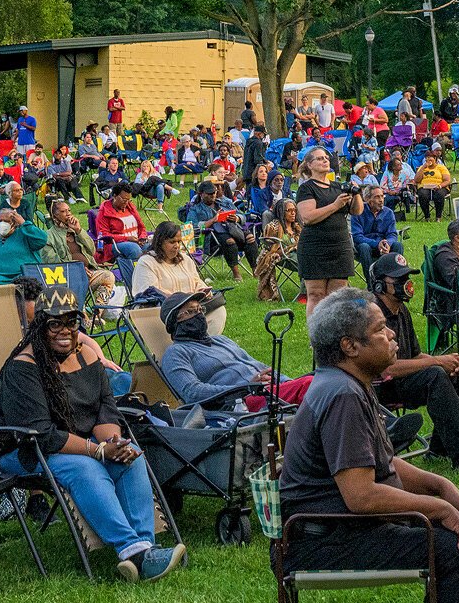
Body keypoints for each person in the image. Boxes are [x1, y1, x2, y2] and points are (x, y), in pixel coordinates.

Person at [277, 289, 459, 603]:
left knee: (453, 530)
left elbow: (385, 466)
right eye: (380, 329)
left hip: (335, 525)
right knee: (450, 545)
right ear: (349, 346)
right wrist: (439, 509)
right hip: (323, 537)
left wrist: (440, 487)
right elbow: (361, 496)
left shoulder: (350, 385)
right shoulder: (342, 395)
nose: (393, 335)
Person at [0, 285, 185, 582]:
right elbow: (42, 434)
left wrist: (113, 443)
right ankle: (131, 550)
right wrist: (97, 451)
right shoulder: (23, 368)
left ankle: (145, 548)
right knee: (86, 467)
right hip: (23, 450)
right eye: (55, 323)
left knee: (131, 457)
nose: (64, 330)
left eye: (71, 322)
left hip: (73, 443)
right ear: (40, 325)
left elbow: (104, 410)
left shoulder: (88, 357)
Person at [368, 254, 459, 479]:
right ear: (379, 285)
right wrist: (437, 361)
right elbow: (386, 369)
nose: (405, 283)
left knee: (455, 371)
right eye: (398, 278)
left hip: (403, 379)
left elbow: (414, 355)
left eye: (406, 277)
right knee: (435, 374)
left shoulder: (401, 310)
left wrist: (449, 361)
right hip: (380, 386)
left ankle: (439, 448)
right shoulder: (373, 314)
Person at [158, 290, 309, 409]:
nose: (199, 315)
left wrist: (287, 381)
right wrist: (245, 388)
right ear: (174, 322)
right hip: (240, 403)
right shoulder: (175, 354)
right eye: (190, 311)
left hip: (270, 392)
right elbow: (192, 392)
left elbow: (262, 368)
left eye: (200, 310)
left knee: (323, 380)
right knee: (311, 385)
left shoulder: (220, 340)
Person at [295, 146, 362, 312]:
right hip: (315, 247)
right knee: (316, 294)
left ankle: (335, 335)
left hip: (339, 246)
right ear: (309, 165)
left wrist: (357, 193)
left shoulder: (339, 187)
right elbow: (308, 217)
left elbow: (357, 211)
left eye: (326, 157)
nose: (325, 160)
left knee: (338, 295)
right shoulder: (306, 188)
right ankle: (316, 335)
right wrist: (335, 205)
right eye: (319, 158)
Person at [41, 200, 116, 301]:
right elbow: (51, 261)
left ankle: (98, 311)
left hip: (89, 273)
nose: (68, 214)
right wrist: (77, 268)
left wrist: (79, 231)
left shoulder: (75, 230)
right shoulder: (49, 236)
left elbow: (92, 250)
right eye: (63, 211)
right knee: (76, 286)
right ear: (55, 216)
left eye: (69, 210)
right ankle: (81, 314)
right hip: (67, 277)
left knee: (108, 276)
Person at [0, 207, 47, 286]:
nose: (2, 223)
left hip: (22, 279)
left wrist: (24, 224)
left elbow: (42, 239)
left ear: (14, 223)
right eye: (0, 221)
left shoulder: (25, 235)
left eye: (6, 221)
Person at [349, 184, 401, 279]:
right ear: (367, 199)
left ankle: (394, 279)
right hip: (365, 247)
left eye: (382, 196)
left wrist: (388, 243)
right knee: (364, 247)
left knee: (398, 245)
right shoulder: (358, 211)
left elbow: (392, 234)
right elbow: (357, 236)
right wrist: (377, 244)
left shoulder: (388, 213)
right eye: (377, 197)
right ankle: (371, 283)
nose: (381, 200)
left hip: (384, 246)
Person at [96, 184, 150, 261]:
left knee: (152, 248)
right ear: (114, 196)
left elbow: (141, 226)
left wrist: (142, 237)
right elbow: (103, 235)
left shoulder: (130, 207)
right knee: (134, 249)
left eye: (129, 200)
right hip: (114, 244)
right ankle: (134, 272)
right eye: (124, 200)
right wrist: (127, 238)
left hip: (136, 240)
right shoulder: (104, 212)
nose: (126, 203)